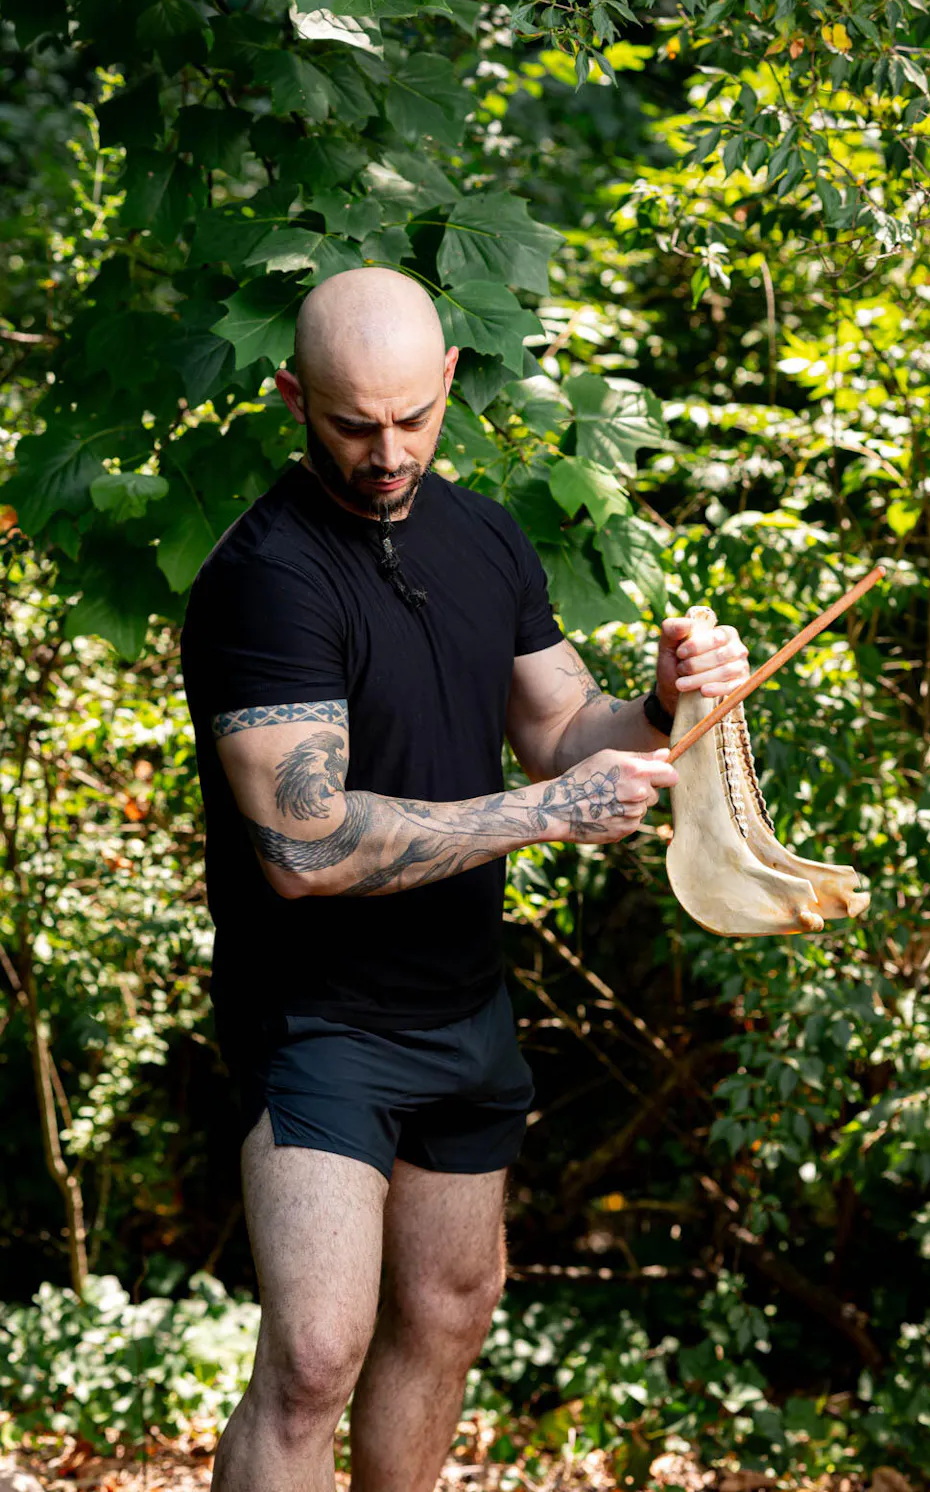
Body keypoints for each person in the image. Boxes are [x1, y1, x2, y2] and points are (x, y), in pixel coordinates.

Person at [180, 266, 750, 1492]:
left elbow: (560, 731)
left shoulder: (484, 535)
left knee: (446, 1315)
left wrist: (662, 701)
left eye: (411, 417)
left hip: (463, 1001)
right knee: (314, 1358)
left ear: (448, 380)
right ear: (294, 399)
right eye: (352, 425)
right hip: (317, 1018)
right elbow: (303, 848)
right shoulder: (267, 576)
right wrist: (546, 816)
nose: (387, 454)